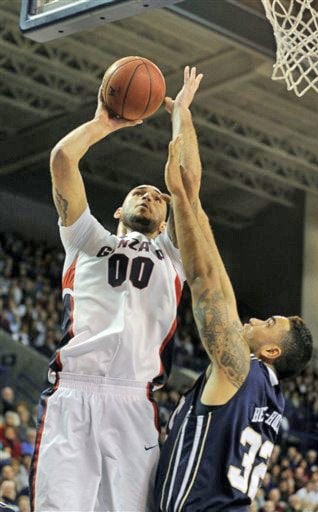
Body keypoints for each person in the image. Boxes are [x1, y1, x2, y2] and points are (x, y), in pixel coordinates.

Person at [29, 67, 203, 512]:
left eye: (157, 197)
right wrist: (104, 124)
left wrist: (180, 115)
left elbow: (188, 187)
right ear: (117, 209)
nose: (150, 195)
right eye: (140, 192)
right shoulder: (86, 238)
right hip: (73, 392)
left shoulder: (173, 254)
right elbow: (62, 161)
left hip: (133, 401)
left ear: (166, 221)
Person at [154, 130, 313, 508]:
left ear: (272, 350)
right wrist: (193, 202)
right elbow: (222, 287)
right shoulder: (266, 395)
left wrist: (180, 198)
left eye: (268, 322)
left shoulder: (240, 371)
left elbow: (207, 286)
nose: (256, 319)